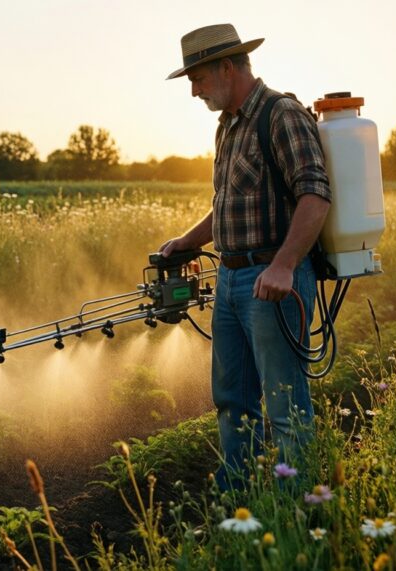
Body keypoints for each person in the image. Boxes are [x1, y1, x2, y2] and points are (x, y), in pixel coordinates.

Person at [160, 23, 331, 491]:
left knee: (284, 401)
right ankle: (238, 492)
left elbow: (314, 195)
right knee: (232, 398)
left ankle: (298, 502)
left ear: (227, 67)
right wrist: (187, 241)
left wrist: (285, 265)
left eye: (197, 79)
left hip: (272, 281)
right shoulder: (227, 127)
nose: (193, 91)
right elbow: (227, 204)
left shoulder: (281, 115)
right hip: (233, 283)